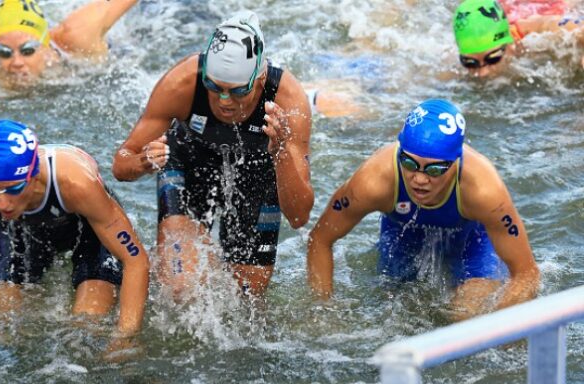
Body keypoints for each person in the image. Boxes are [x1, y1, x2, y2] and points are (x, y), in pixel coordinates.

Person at [112, 10, 314, 296]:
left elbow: (299, 215)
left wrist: (280, 151)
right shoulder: (181, 84)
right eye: (214, 87)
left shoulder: (288, 101)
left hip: (258, 172)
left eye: (237, 91)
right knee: (180, 288)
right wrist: (142, 161)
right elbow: (121, 164)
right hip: (191, 162)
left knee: (246, 301)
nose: (224, 101)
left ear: (260, 78)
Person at [307, 99, 540, 321]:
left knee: (465, 313)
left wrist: (503, 329)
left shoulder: (483, 191)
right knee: (396, 312)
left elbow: (526, 273)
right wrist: (323, 310)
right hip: (402, 233)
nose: (419, 179)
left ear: (456, 162)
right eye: (408, 163)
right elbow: (320, 238)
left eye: (434, 170)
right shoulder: (374, 181)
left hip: (472, 240)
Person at [0, 120, 149, 336]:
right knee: (6, 327)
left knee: (87, 326)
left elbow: (135, 261)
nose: (2, 203)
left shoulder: (76, 184)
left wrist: (126, 338)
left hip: (87, 227)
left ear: (33, 176)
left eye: (14, 188)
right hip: (21, 228)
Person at [0, 0, 137, 84]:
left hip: (132, 45)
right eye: (5, 53)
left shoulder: (76, 35)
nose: (16, 62)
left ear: (44, 44)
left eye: (27, 51)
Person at [453, 0, 584, 77]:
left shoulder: (532, 32)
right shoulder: (450, 59)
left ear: (510, 42)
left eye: (493, 58)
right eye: (469, 63)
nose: (482, 73)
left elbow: (563, 25)